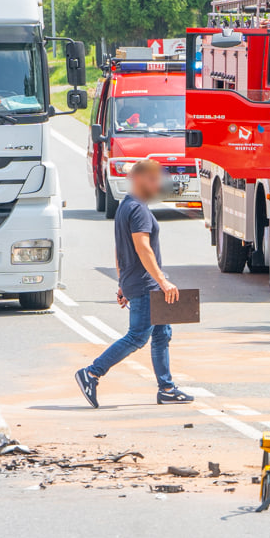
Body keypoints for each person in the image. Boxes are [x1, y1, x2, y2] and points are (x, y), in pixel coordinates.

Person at [75, 159, 194, 408]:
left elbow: (120, 249)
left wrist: (121, 283)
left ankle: (167, 388)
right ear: (140, 179)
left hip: (138, 282)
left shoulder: (126, 206)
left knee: (162, 334)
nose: (157, 186)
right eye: (153, 180)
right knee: (138, 336)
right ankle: (92, 372)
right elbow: (142, 248)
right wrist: (163, 281)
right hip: (146, 284)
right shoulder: (138, 209)